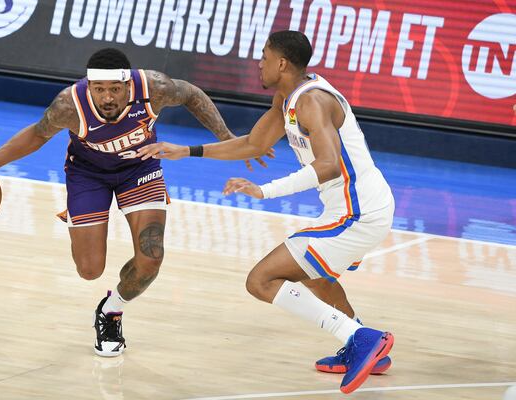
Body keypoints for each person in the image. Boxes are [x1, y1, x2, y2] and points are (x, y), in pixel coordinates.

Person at [0, 48, 270, 358]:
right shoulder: (69, 105)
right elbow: (37, 135)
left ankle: (112, 310)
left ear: (128, 84)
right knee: (89, 269)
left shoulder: (154, 87)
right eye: (99, 89)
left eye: (115, 89)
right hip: (88, 174)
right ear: (89, 85)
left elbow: (192, 95)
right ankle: (79, 221)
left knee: (151, 256)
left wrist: (227, 137)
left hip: (140, 167)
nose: (107, 97)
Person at [137, 31, 395, 394]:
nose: (259, 63)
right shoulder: (287, 98)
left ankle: (362, 337)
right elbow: (254, 144)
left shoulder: (313, 103)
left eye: (264, 56)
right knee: (313, 275)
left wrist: (265, 190)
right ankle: (364, 348)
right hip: (350, 206)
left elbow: (328, 166)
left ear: (282, 63)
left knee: (261, 280)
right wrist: (187, 151)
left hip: (360, 211)